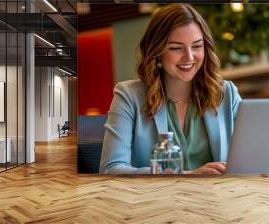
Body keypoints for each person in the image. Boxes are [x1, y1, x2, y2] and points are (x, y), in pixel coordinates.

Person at [99, 3, 241, 175]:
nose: (189, 57)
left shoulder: (227, 93)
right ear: (157, 50)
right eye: (176, 48)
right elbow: (110, 169)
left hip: (219, 197)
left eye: (197, 46)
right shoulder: (128, 96)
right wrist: (189, 176)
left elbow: (251, 155)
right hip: (154, 199)